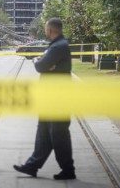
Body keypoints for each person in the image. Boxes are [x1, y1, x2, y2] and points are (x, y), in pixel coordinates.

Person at [13, 17, 76, 180]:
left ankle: (68, 169)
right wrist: (43, 62)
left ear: (49, 30)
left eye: (46, 29)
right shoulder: (56, 45)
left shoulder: (58, 47)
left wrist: (38, 61)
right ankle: (32, 166)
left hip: (59, 98)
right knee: (44, 132)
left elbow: (40, 66)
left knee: (58, 133)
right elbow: (44, 63)